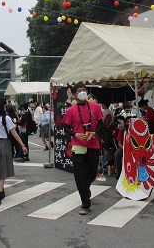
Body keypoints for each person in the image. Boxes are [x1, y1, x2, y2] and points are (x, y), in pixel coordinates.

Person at [63, 82, 103, 215]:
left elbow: (101, 123)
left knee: (91, 173)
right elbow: (66, 127)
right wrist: (76, 134)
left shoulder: (95, 106)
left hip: (93, 144)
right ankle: (85, 203)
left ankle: (86, 188)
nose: (83, 92)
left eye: (84, 89)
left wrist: (94, 133)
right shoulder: (71, 110)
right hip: (78, 145)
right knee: (80, 175)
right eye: (79, 90)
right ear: (74, 94)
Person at [0, 98, 28, 207]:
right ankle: (1, 191)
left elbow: (14, 133)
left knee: (0, 169)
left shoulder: (5, 118)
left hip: (3, 144)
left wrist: (22, 145)